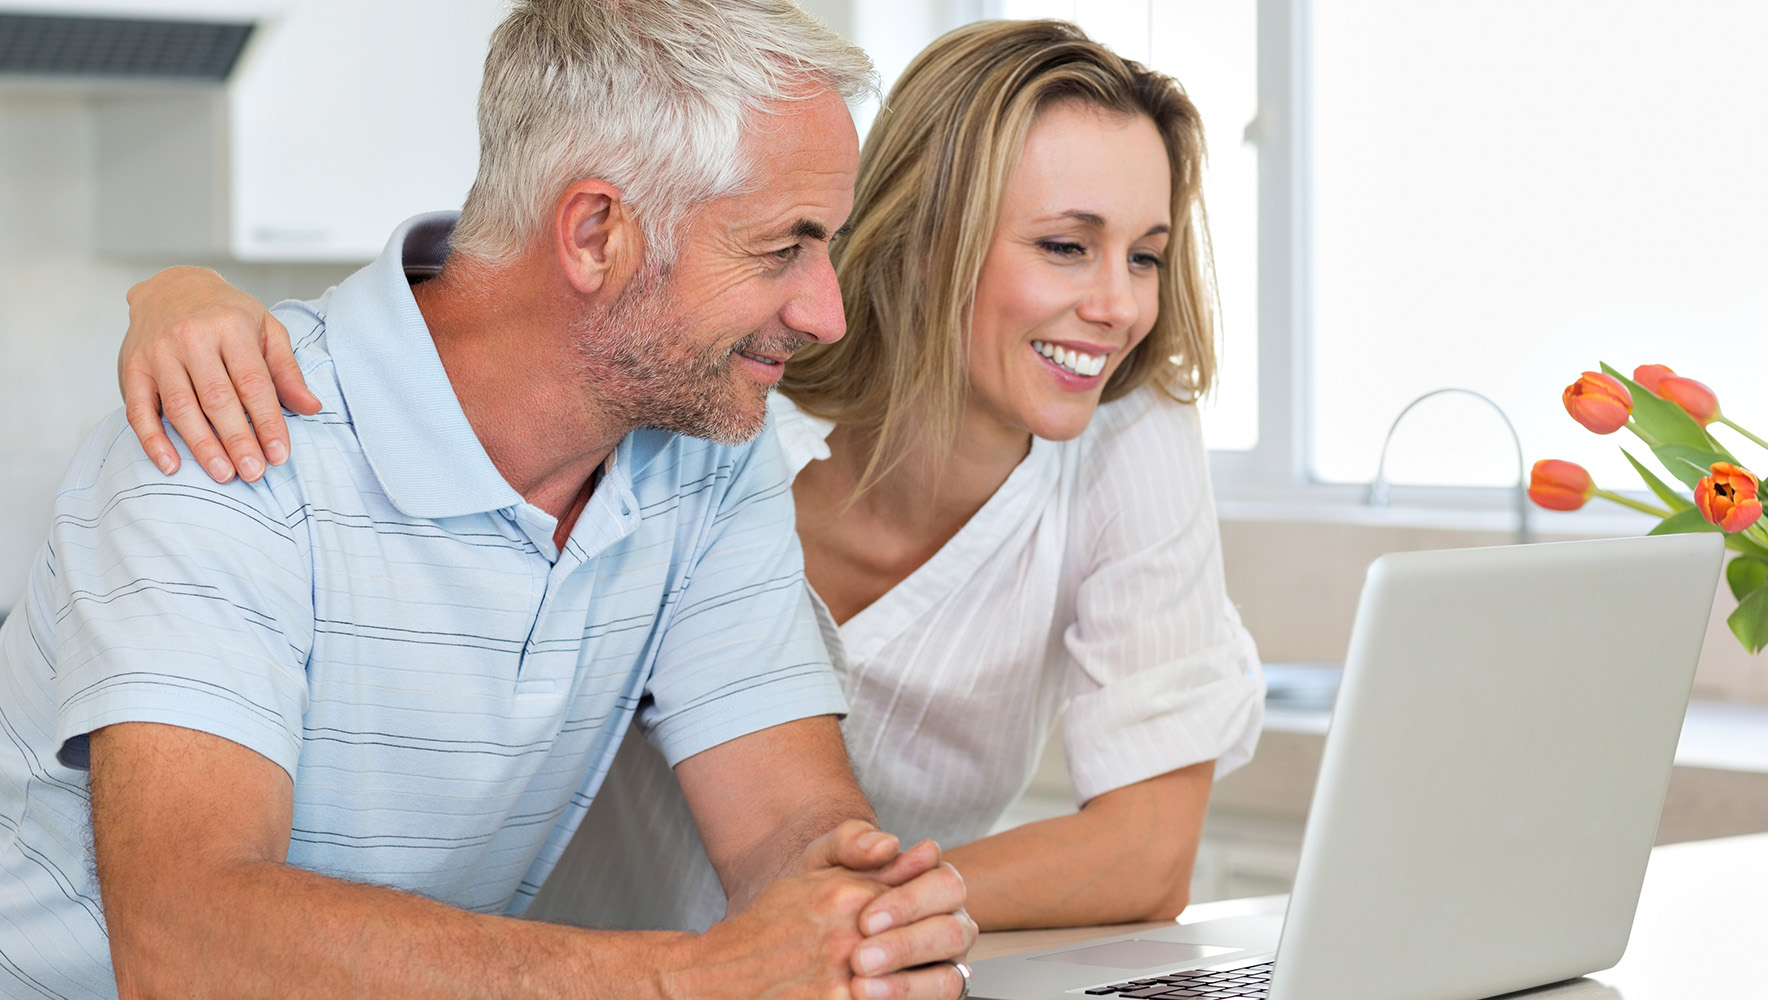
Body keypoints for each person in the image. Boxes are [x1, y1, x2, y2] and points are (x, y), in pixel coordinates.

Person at [114, 19, 1264, 936]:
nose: (1117, 302)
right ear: (927, 238)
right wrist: (176, 288)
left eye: (1147, 254)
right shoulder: (710, 406)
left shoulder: (713, 447)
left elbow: (804, 833)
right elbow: (195, 928)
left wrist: (838, 920)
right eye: (1064, 245)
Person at [0, 2, 976, 998]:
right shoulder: (230, 429)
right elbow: (185, 942)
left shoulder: (707, 452)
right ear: (596, 232)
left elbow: (786, 824)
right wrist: (687, 979)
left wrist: (868, 917)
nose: (826, 312)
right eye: (784, 247)